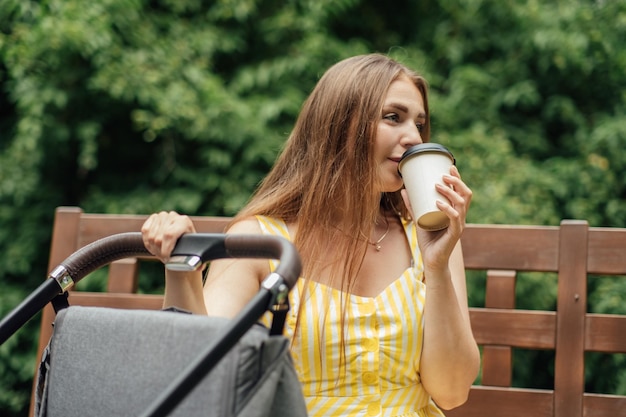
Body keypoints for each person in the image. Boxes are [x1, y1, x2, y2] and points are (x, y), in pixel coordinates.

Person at [141, 53, 480, 417]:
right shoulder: (261, 242)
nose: (414, 138)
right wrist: (183, 266)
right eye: (393, 117)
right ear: (340, 125)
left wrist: (438, 265)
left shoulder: (430, 239)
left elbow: (451, 392)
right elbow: (202, 377)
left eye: (419, 124)